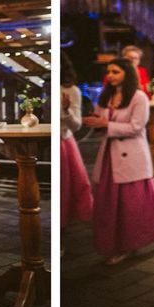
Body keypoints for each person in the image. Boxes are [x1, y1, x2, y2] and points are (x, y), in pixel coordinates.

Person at [83, 58, 154, 266]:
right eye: (109, 72)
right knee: (108, 204)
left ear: (126, 73)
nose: (111, 76)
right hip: (110, 156)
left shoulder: (139, 97)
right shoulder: (107, 96)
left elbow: (137, 127)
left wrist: (106, 124)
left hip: (131, 156)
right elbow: (102, 119)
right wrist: (94, 121)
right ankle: (113, 243)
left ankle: (128, 244)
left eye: (115, 72)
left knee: (130, 205)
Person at [61, 55, 93, 227]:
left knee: (66, 191)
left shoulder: (72, 90)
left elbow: (77, 125)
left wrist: (66, 111)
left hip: (63, 142)